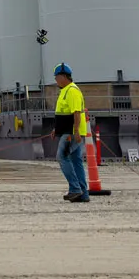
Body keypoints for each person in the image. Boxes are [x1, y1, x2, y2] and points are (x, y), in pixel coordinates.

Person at [53, 63, 89, 202]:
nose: (55, 80)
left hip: (71, 133)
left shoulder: (72, 91)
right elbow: (63, 113)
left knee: (62, 157)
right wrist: (56, 129)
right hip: (67, 131)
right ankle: (83, 193)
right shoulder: (65, 90)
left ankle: (75, 189)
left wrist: (76, 132)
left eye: (56, 77)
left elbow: (76, 113)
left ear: (63, 77)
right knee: (76, 161)